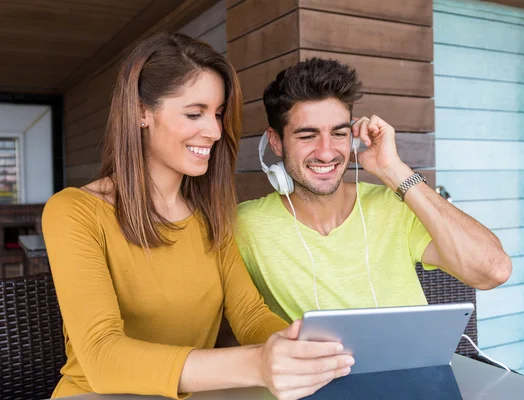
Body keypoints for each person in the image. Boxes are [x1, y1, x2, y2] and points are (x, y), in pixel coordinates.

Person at [42, 34, 353, 400]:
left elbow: (250, 315)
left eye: (218, 114)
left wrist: (297, 348)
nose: (215, 131)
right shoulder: (74, 211)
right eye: (194, 113)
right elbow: (101, 356)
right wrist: (255, 363)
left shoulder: (210, 215)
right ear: (141, 111)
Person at [235, 57, 512, 322]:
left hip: (414, 367)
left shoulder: (395, 205)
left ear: (353, 137)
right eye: (308, 136)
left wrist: (394, 171)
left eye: (340, 133)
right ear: (276, 142)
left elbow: (493, 271)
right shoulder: (246, 225)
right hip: (321, 372)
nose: (326, 152)